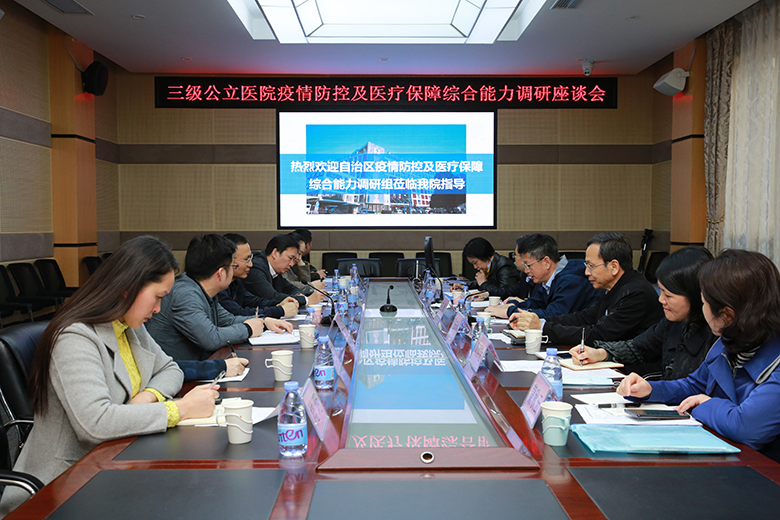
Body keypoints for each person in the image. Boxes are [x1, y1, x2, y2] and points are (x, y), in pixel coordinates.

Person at [0, 236, 219, 517]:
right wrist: (180, 409)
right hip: (64, 484)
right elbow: (96, 423)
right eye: (157, 297)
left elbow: (170, 369)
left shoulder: (128, 325)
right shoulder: (75, 337)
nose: (158, 309)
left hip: (116, 462)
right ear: (128, 287)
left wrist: (147, 398)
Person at [618, 249, 780, 462]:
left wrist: (705, 404)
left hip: (763, 471)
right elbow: (694, 385)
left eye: (704, 303)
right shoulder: (729, 340)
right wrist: (650, 390)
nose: (702, 309)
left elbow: (746, 428)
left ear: (727, 314)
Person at [571, 246, 716, 379]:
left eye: (668, 295)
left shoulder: (715, 335)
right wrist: (600, 353)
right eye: (661, 291)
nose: (661, 300)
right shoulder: (672, 323)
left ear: (696, 295)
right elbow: (638, 347)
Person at [146, 234, 292, 361]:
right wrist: (248, 328)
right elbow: (211, 338)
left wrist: (264, 321)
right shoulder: (185, 294)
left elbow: (228, 320)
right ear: (221, 273)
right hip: (177, 374)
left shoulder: (203, 290)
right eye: (232, 266)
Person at [510, 232, 663, 345]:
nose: (586, 272)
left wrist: (543, 327)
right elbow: (584, 317)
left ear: (614, 267)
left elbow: (599, 334)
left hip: (634, 372)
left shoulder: (635, 293)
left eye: (591, 266)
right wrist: (540, 321)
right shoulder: (615, 286)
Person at [488, 234, 602, 319]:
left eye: (528, 265)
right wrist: (513, 305)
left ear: (546, 262)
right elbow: (537, 303)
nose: (526, 271)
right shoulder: (551, 278)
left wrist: (511, 311)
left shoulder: (571, 280)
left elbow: (554, 315)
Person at [217, 233, 299, 319]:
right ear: (229, 261)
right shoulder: (218, 287)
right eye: (246, 260)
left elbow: (253, 301)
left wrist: (279, 304)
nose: (251, 264)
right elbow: (238, 313)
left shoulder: (236, 282)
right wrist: (280, 310)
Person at [244, 234, 326, 308]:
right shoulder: (255, 267)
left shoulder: (274, 269)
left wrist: (298, 295)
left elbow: (289, 288)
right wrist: (306, 300)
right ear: (275, 253)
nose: (291, 264)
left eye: (294, 260)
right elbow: (272, 297)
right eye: (290, 258)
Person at [452, 237, 531, 298]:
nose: (475, 267)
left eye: (475, 262)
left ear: (484, 256)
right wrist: (465, 287)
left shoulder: (504, 266)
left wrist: (484, 284)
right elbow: (483, 282)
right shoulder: (490, 265)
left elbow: (505, 292)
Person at [283, 232, 327, 297]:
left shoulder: (292, 262)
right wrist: (312, 286)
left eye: (301, 254)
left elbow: (305, 282)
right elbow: (287, 285)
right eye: (299, 253)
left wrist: (301, 264)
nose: (299, 258)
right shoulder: (284, 265)